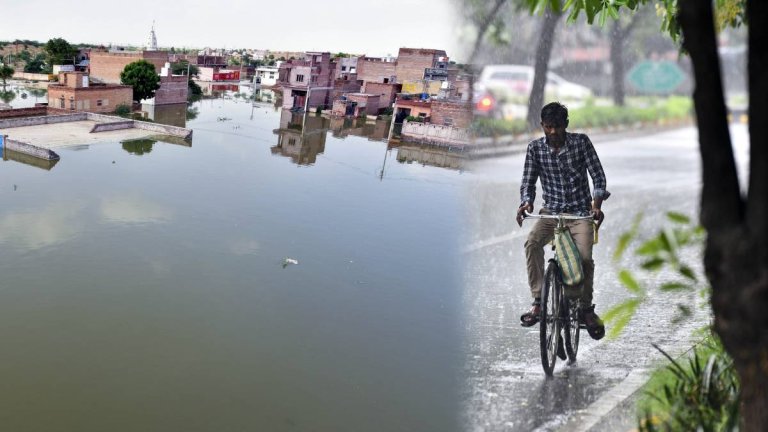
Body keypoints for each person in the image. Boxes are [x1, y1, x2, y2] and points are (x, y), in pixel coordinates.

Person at [515, 102, 610, 340]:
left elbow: (598, 177)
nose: (554, 132)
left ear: (566, 124)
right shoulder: (535, 148)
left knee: (585, 259)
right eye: (549, 127)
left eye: (558, 126)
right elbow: (528, 181)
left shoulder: (581, 143)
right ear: (542, 126)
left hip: (580, 214)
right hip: (551, 212)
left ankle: (585, 309)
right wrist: (526, 202)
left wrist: (596, 206)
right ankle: (538, 301)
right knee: (532, 243)